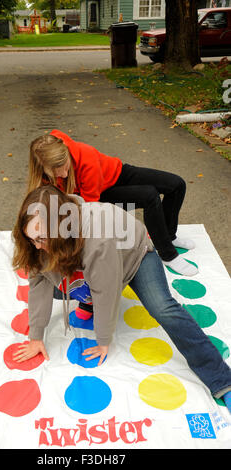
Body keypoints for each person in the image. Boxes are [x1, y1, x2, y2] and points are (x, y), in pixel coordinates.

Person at [12, 185, 231, 413]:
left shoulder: (97, 240)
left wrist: (103, 339)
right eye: (32, 240)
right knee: (57, 286)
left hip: (135, 256)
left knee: (162, 308)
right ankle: (86, 300)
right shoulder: (40, 237)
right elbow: (38, 282)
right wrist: (35, 336)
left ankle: (223, 381)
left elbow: (105, 291)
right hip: (96, 265)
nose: (37, 246)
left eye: (41, 239)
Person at [27, 130, 197, 278]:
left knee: (177, 185)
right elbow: (89, 210)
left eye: (66, 167)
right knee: (150, 196)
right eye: (58, 172)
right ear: (44, 168)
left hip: (115, 173)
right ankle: (167, 254)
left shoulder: (85, 158)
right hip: (97, 196)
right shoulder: (44, 159)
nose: (64, 174)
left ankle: (169, 236)